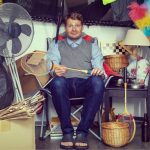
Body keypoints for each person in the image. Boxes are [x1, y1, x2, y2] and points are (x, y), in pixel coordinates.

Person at [47, 12, 105, 150]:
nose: (74, 29)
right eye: (70, 26)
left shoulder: (92, 46)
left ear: (82, 27)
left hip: (85, 85)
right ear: (65, 28)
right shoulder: (56, 45)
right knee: (57, 82)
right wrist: (55, 70)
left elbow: (99, 67)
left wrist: (98, 70)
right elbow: (51, 66)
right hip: (64, 86)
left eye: (77, 25)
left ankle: (82, 132)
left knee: (97, 82)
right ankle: (66, 132)